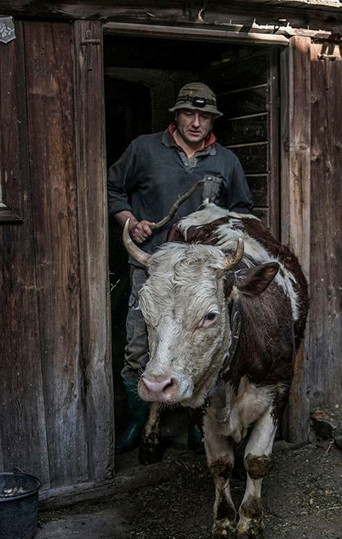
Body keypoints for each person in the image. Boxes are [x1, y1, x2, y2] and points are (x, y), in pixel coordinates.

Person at [107, 82, 253, 453]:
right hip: (154, 268)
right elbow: (112, 189)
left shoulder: (226, 161)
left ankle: (198, 424)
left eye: (204, 116)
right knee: (139, 347)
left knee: (201, 348)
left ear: (212, 121)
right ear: (176, 114)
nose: (196, 122)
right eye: (189, 113)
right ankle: (139, 425)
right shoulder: (144, 149)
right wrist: (131, 220)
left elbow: (242, 212)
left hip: (202, 278)